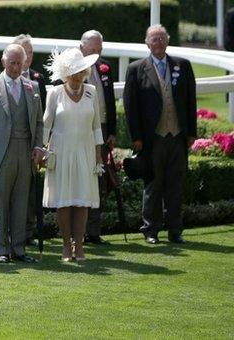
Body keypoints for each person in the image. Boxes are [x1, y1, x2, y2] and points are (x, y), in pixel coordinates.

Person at [123, 24, 196, 244]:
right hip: (151, 137)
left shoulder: (182, 66)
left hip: (177, 135)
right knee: (153, 185)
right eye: (154, 39)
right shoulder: (136, 69)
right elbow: (130, 106)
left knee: (175, 184)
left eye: (162, 38)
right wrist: (136, 137)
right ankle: (150, 230)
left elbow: (191, 101)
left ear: (168, 40)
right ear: (147, 42)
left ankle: (175, 230)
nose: (159, 42)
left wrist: (191, 132)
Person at [0, 44, 43, 264]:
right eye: (12, 62)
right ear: (3, 61)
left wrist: (38, 146)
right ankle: (2, 250)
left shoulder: (32, 87)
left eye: (19, 63)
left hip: (25, 152)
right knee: (1, 202)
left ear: (25, 63)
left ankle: (19, 249)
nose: (15, 67)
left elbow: (39, 122)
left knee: (21, 202)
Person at [42, 48, 104, 262]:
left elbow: (97, 127)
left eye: (81, 71)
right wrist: (42, 152)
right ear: (66, 74)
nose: (78, 76)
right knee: (64, 201)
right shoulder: (54, 93)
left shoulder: (92, 92)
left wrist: (98, 156)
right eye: (74, 72)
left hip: (85, 152)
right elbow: (46, 125)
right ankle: (66, 246)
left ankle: (80, 246)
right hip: (61, 152)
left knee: (81, 201)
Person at [80, 30, 117, 245]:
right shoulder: (73, 65)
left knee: (98, 179)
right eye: (93, 50)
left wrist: (111, 132)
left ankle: (93, 231)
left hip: (101, 129)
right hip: (81, 129)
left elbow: (110, 102)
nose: (96, 54)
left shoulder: (105, 67)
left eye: (99, 49)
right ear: (82, 47)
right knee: (81, 178)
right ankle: (79, 230)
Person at [12, 33, 47, 248]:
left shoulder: (38, 78)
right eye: (25, 52)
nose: (29, 56)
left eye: (31, 52)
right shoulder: (4, 77)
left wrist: (40, 144)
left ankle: (28, 231)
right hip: (12, 144)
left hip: (31, 143)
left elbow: (41, 116)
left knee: (31, 190)